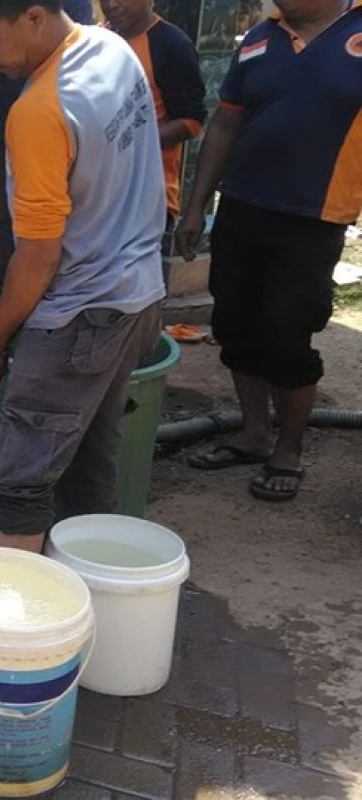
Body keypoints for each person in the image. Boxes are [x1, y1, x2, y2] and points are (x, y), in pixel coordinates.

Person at [0, 0, 166, 553]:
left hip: (80, 315)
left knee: (18, 479)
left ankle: (9, 628)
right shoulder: (113, 50)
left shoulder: (39, 109)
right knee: (88, 457)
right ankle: (93, 591)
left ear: (33, 15)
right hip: (138, 297)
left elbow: (39, 258)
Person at [175, 0, 361, 502]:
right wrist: (197, 206)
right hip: (242, 208)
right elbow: (226, 125)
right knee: (235, 324)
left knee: (287, 332)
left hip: (314, 217)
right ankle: (255, 434)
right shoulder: (259, 38)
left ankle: (289, 449)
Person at [0, 0, 93, 291]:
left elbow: (42, 252)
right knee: (2, 222)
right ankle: (7, 301)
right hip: (5, 121)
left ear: (35, 18)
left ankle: (21, 314)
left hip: (52, 126)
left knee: (45, 236)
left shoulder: (45, 100)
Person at [102, 0, 206, 224]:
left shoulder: (172, 45)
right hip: (100, 194)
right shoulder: (98, 39)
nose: (111, 5)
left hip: (146, 199)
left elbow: (192, 122)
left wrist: (125, 141)